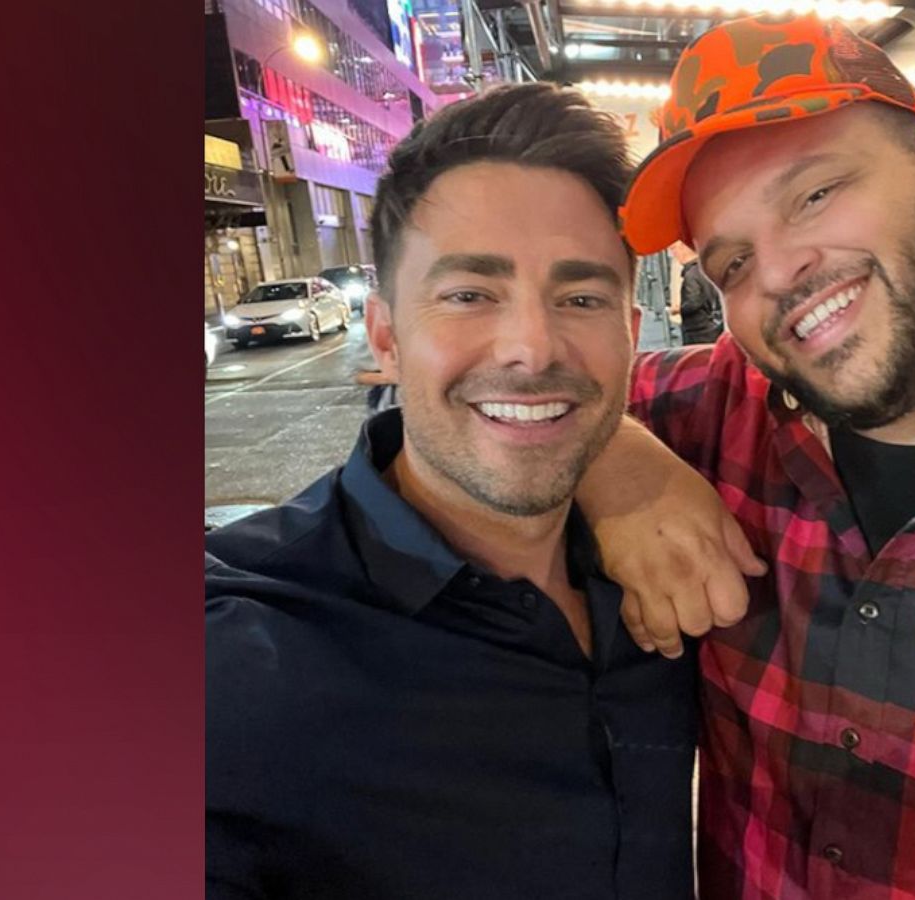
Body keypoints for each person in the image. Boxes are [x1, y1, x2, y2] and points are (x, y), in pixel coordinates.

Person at [205, 83, 697, 900]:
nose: (533, 349)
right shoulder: (240, 657)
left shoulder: (672, 575)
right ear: (388, 335)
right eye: (470, 295)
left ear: (630, 336)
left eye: (580, 298)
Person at [576, 13, 915, 898]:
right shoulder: (715, 412)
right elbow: (519, 415)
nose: (775, 275)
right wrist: (619, 463)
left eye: (814, 195)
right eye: (731, 263)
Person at [674, 244, 724, 345]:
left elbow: (693, 302)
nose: (675, 255)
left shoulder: (691, 275)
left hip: (697, 329)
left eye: (675, 250)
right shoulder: (707, 269)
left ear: (684, 251)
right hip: (714, 326)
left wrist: (679, 309)